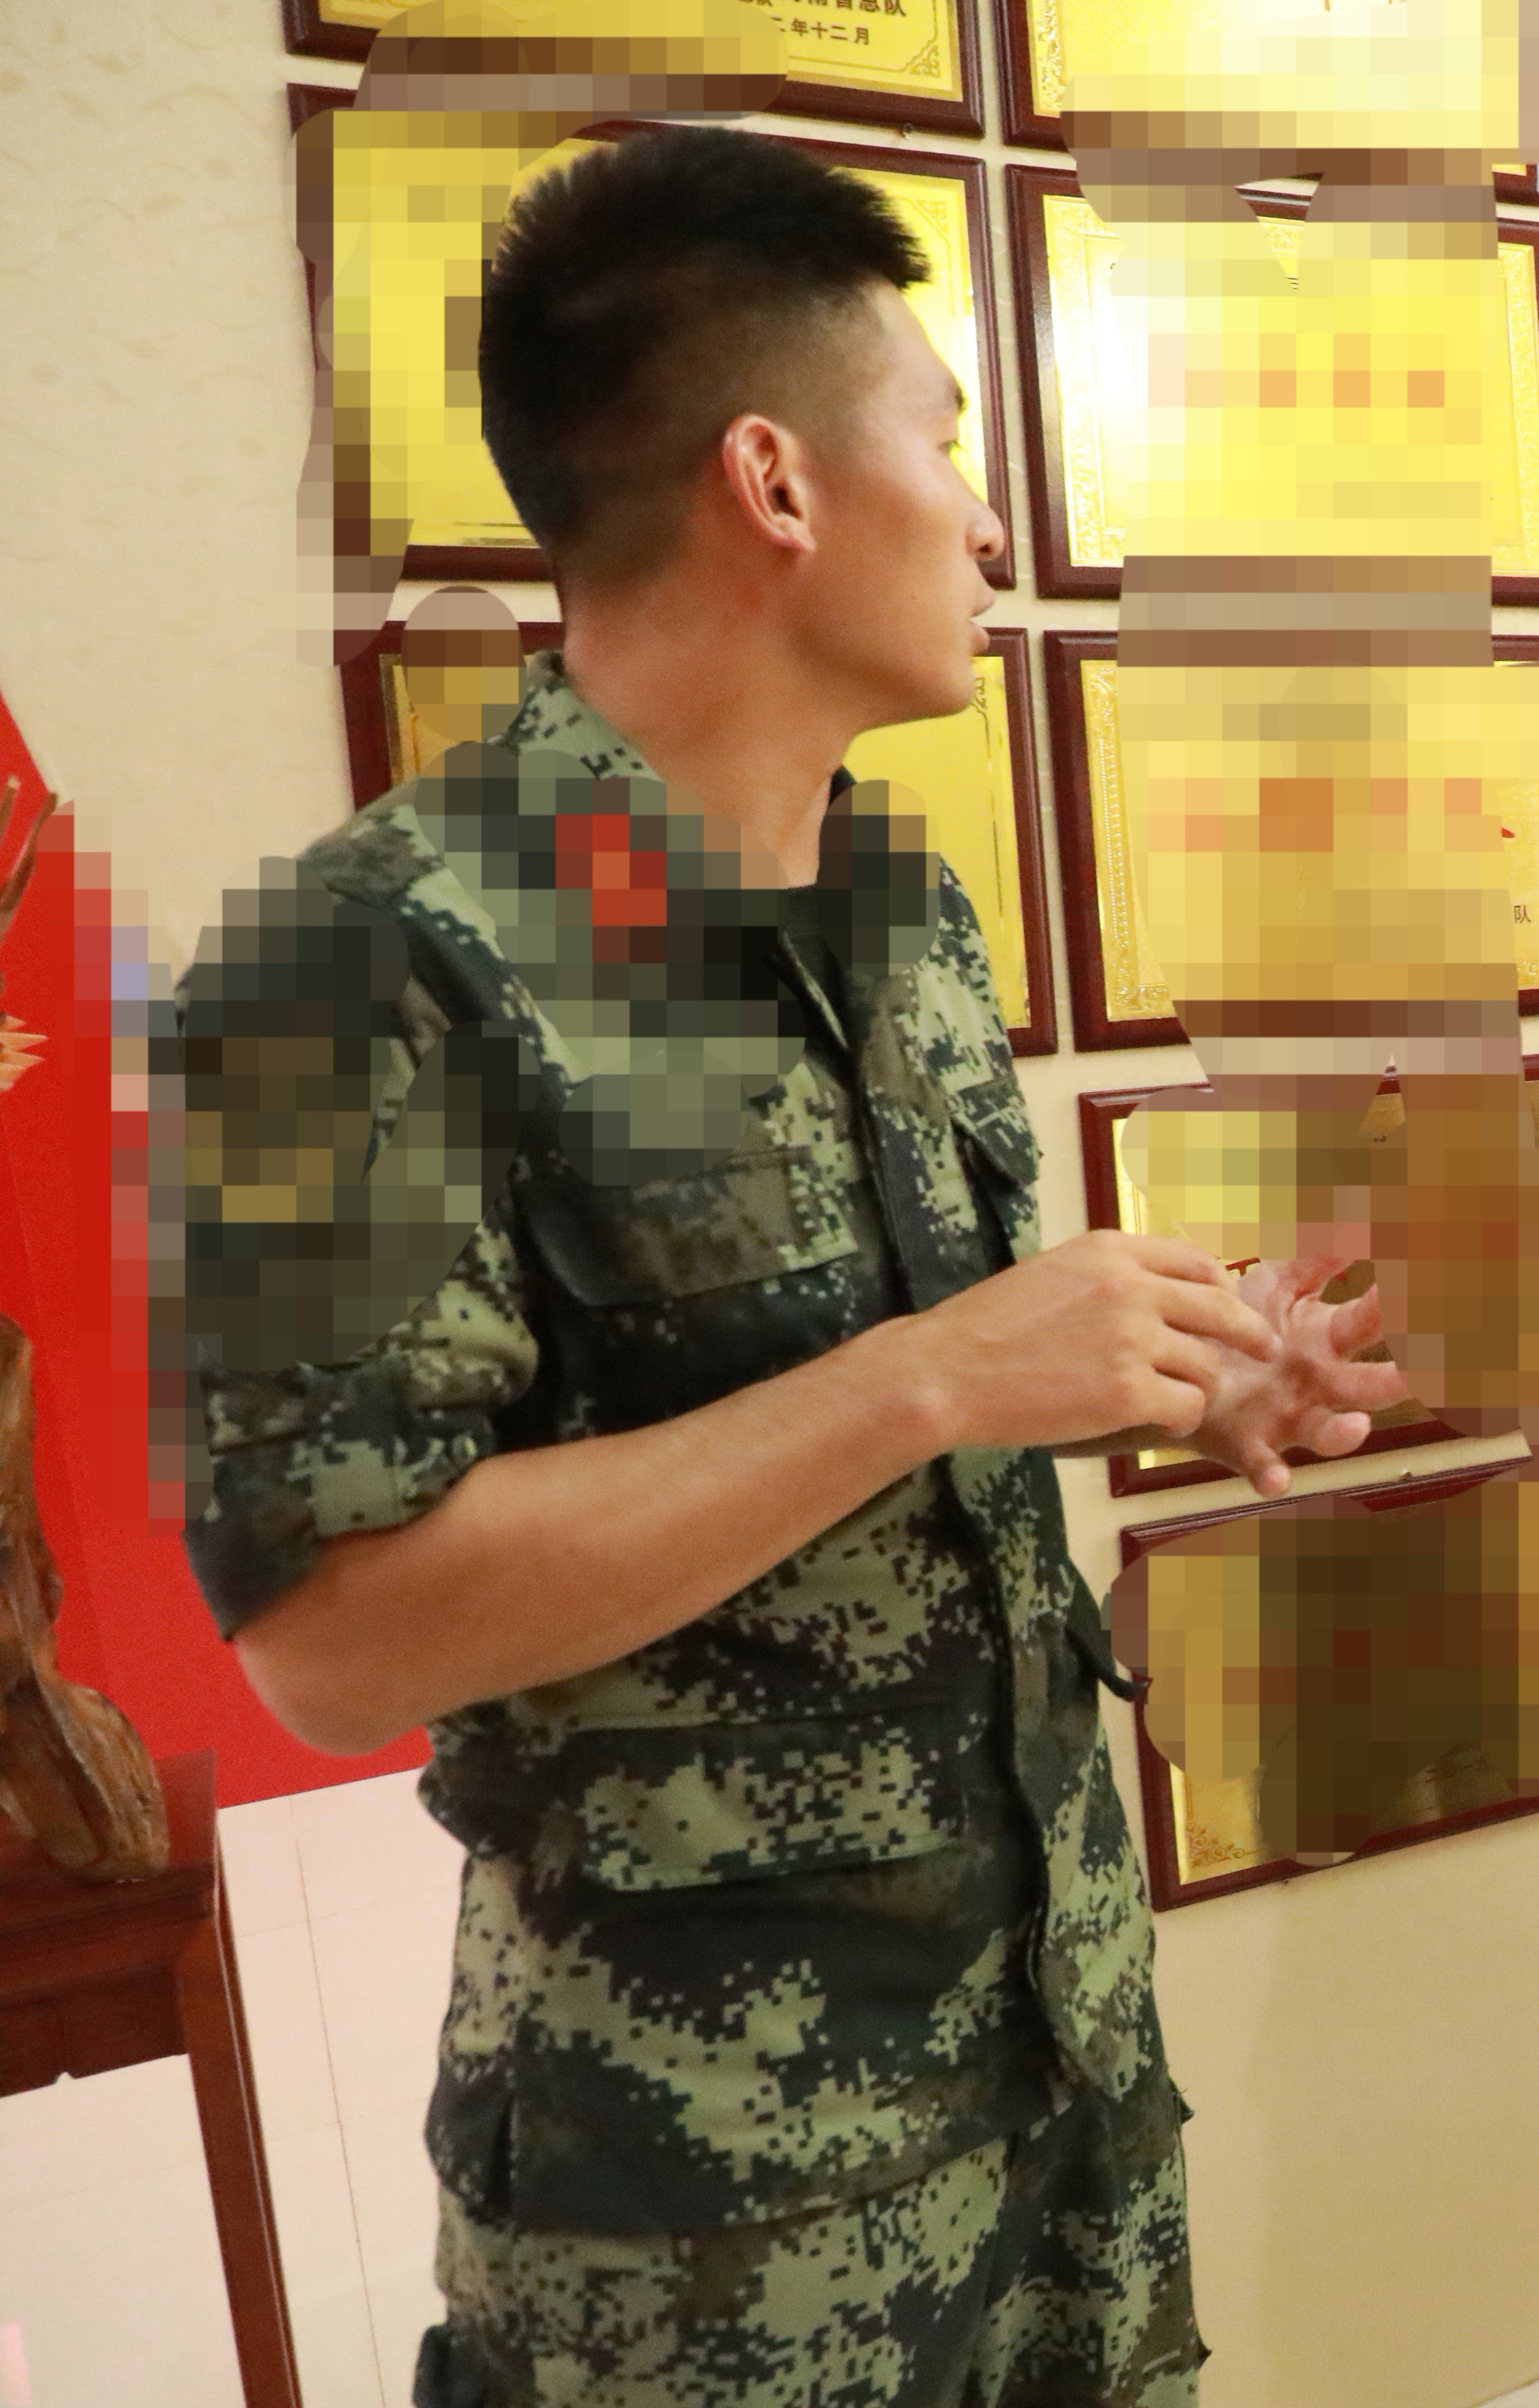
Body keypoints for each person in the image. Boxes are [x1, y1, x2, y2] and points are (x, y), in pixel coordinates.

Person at [164, 126, 1405, 2408]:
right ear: (776, 481)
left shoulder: (897, 912)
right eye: (944, 438)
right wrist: (933, 1377)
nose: (992, 518)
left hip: (1054, 2095)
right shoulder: (359, 964)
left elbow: (888, 1425)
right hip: (700, 2230)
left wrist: (1173, 1370)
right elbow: (331, 1640)